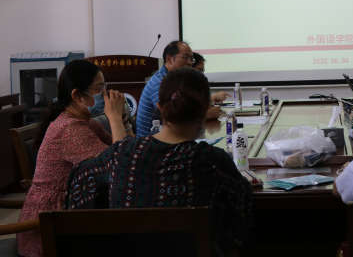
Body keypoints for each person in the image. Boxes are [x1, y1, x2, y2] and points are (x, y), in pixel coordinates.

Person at [66, 67, 253, 256]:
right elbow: (238, 224)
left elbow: (80, 177)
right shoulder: (214, 162)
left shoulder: (120, 153)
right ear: (206, 108)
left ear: (159, 107)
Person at [17, 60, 130, 257]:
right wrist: (114, 117)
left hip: (71, 213)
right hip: (50, 228)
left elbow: (130, 152)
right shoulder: (70, 130)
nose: (105, 94)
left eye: (104, 86)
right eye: (99, 88)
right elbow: (120, 165)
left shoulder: (84, 122)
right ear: (77, 95)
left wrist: (124, 120)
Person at [136, 41, 224, 137]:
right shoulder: (160, 83)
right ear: (169, 59)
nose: (190, 62)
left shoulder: (173, 79)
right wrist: (207, 115)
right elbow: (172, 118)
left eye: (191, 59)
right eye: (185, 57)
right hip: (151, 141)